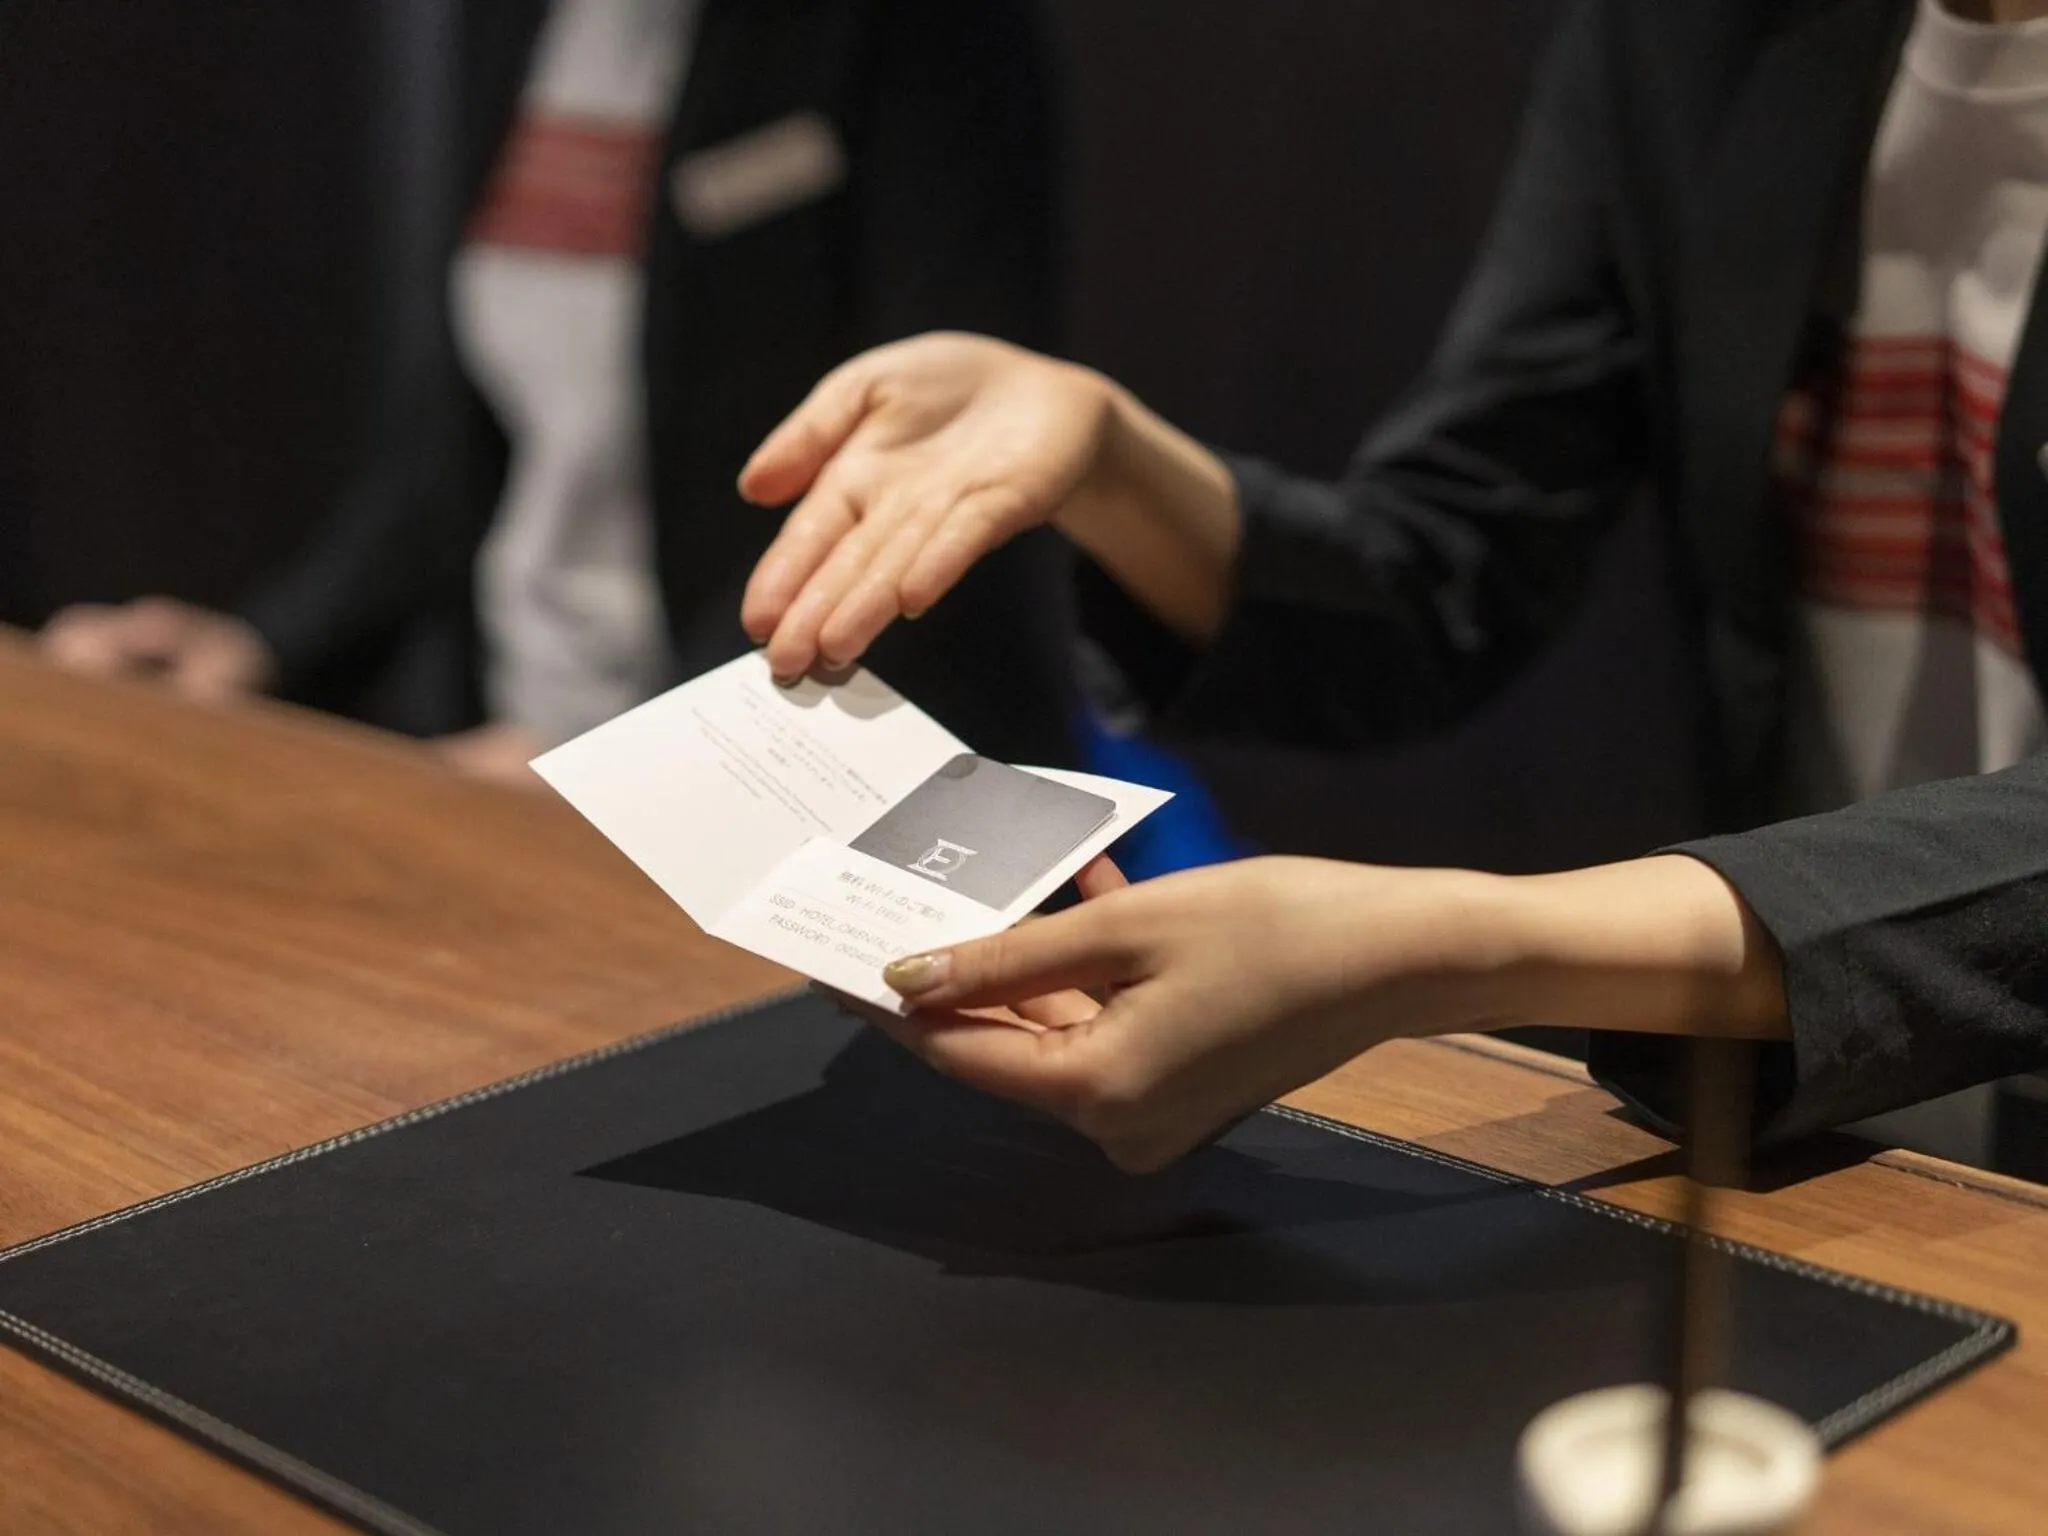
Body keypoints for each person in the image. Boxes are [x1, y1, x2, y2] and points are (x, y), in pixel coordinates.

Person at [733, 0, 2048, 1173]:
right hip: (1839, 1115)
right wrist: (1111, 459)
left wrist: (1453, 944)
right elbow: (1445, 571)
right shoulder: (1698, 37)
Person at [38, 0, 1077, 776]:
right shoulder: (509, 24)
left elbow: (932, 482)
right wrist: (262, 646)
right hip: (529, 743)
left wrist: (618, 767)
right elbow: (474, 428)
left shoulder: (926, 28)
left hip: (805, 763)